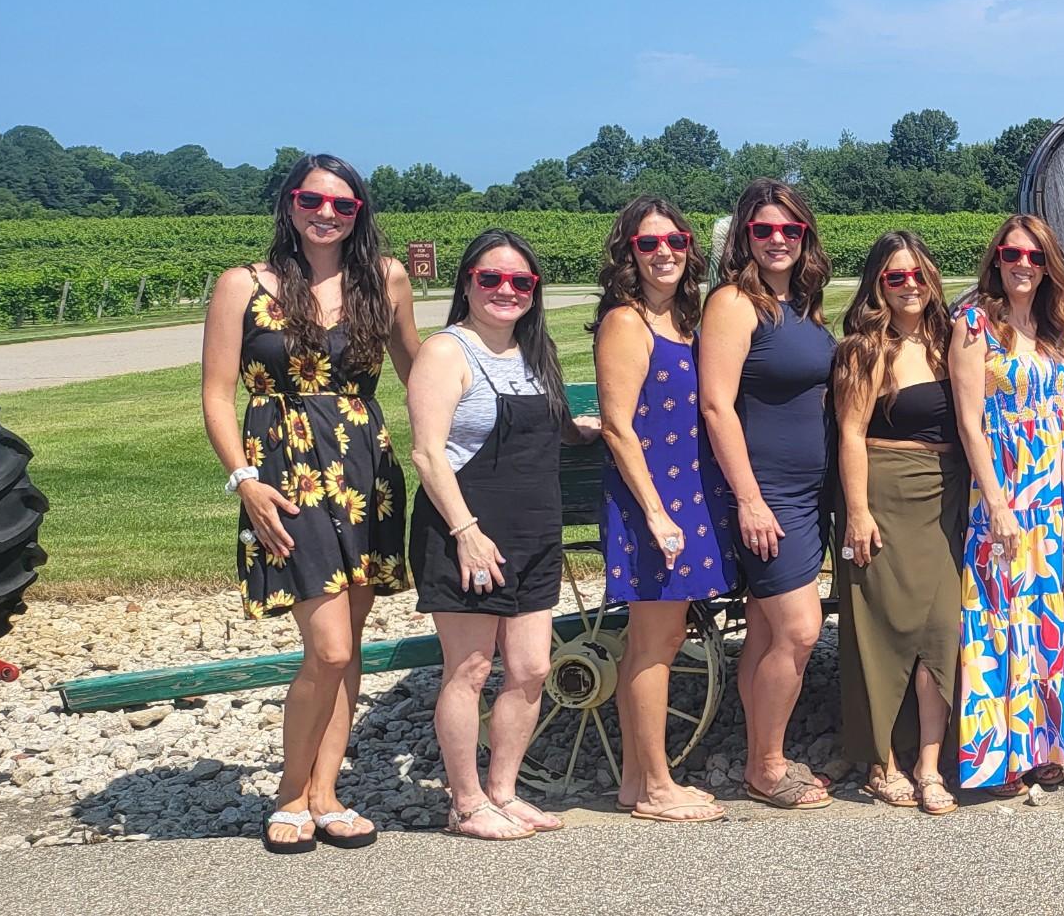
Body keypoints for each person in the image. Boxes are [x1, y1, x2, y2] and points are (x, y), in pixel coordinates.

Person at [199, 154, 417, 854]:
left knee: (347, 644)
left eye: (343, 205)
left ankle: (326, 793)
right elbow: (215, 394)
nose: (327, 213)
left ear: (360, 213)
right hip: (283, 476)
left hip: (365, 469)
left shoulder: (384, 279)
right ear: (289, 204)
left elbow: (420, 372)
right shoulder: (244, 285)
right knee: (326, 644)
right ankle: (291, 793)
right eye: (312, 199)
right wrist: (243, 478)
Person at [406, 229, 599, 839]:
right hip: (467, 532)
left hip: (534, 530)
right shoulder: (446, 353)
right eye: (491, 279)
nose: (505, 291)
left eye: (520, 282)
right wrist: (466, 532)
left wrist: (585, 430)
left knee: (531, 669)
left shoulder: (534, 354)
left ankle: (504, 791)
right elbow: (428, 455)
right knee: (468, 668)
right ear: (467, 283)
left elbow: (551, 425)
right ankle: (466, 803)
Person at [592, 196, 734, 824]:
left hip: (687, 497)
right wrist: (654, 512)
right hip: (654, 502)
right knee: (654, 642)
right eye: (649, 244)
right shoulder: (627, 322)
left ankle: (635, 781)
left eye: (674, 241)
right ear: (629, 253)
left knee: (664, 636)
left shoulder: (682, 318)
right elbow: (619, 427)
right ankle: (655, 786)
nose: (664, 253)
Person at [698, 178, 837, 810]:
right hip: (767, 493)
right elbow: (716, 405)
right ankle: (769, 764)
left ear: (805, 235)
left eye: (789, 229)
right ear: (744, 238)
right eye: (763, 230)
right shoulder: (734, 303)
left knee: (764, 630)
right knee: (800, 631)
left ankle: (758, 753)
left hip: (809, 492)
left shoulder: (802, 305)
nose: (777, 239)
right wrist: (749, 499)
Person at [948, 215, 1064, 795]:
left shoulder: (1055, 326)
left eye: (1035, 257)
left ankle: (1050, 742)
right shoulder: (974, 324)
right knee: (1001, 614)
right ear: (996, 259)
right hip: (1007, 490)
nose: (1023, 265)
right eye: (1013, 254)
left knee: (1052, 614)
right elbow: (969, 422)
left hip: (1056, 493)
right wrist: (997, 503)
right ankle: (1001, 754)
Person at [834, 230, 966, 815]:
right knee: (881, 629)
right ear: (877, 287)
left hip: (947, 495)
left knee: (942, 627)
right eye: (895, 277)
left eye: (917, 273)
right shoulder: (865, 350)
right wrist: (857, 512)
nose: (909, 285)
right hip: (885, 490)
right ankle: (881, 761)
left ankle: (930, 764)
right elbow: (851, 434)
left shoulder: (950, 339)